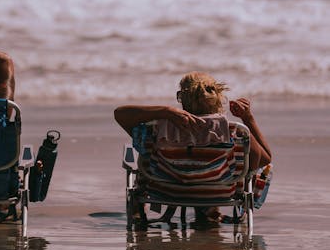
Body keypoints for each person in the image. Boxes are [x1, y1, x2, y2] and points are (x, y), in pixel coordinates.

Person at [114, 71, 271, 221]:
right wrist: (248, 119)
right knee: (246, 162)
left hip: (165, 191)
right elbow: (266, 158)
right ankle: (209, 211)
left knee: (143, 150)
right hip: (217, 193)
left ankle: (137, 210)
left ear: (181, 98)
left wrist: (164, 111)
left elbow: (119, 113)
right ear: (217, 97)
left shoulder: (159, 129)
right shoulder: (233, 131)